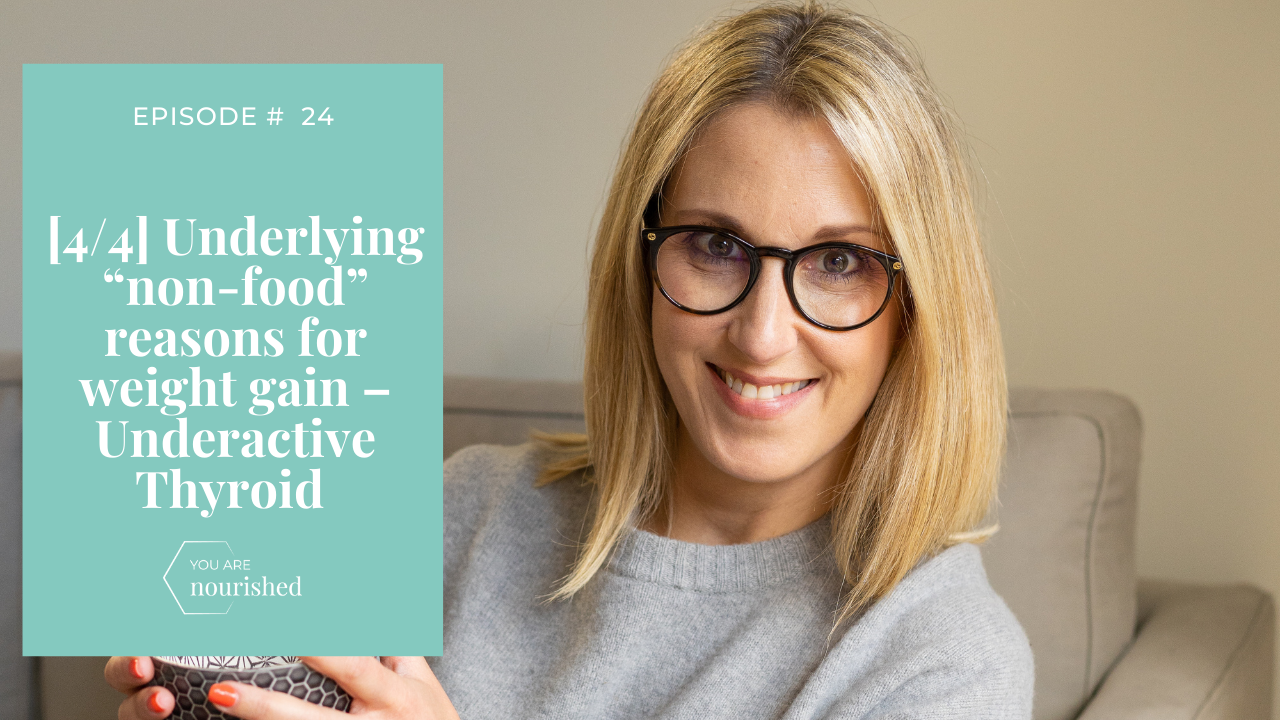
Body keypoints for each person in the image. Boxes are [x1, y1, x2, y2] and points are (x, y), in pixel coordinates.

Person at [107, 2, 1034, 717]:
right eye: (715, 245)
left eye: (837, 263)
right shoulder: (465, 513)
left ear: (917, 307)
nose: (761, 334)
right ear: (641, 262)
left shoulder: (939, 658)